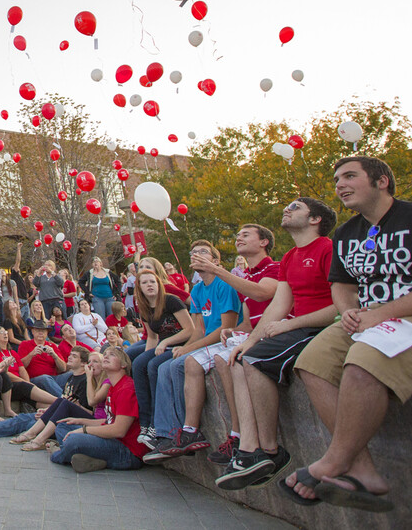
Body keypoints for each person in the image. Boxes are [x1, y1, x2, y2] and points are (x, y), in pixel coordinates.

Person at [279, 157, 412, 512]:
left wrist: (381, 314)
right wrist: (350, 310)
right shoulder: (346, 233)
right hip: (370, 318)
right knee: (311, 361)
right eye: (337, 177)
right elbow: (341, 285)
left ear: (382, 181)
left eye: (350, 176)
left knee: (361, 361)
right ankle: (363, 470)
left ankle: (331, 462)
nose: (340, 184)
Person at [216, 197, 337, 490]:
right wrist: (251, 340)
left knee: (255, 361)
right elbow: (277, 307)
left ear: (315, 219)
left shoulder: (328, 248)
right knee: (241, 357)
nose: (287, 209)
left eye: (296, 207)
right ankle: (249, 449)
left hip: (319, 328)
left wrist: (290, 324)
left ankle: (269, 451)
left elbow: (340, 304)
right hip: (296, 328)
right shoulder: (292, 257)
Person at [183, 224, 282, 465]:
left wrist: (216, 270)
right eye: (237, 235)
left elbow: (262, 293)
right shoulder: (245, 276)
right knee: (220, 358)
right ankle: (234, 436)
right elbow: (248, 323)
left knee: (230, 358)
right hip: (254, 334)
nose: (239, 238)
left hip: (276, 333)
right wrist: (233, 330)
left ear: (264, 242)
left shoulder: (275, 268)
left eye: (246, 235)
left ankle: (251, 442)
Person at [143, 240, 242, 462]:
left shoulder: (225, 284)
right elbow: (199, 329)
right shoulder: (197, 289)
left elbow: (226, 329)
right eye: (193, 252)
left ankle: (188, 430)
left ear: (216, 261)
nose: (196, 255)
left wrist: (189, 349)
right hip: (207, 341)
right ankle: (168, 432)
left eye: (203, 252)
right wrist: (185, 347)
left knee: (178, 364)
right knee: (164, 365)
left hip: (225, 341)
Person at [0, 345, 94, 444]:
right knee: (23, 418)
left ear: (83, 363)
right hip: (54, 415)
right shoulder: (71, 379)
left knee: (22, 421)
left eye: (74, 356)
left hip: (66, 422)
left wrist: (52, 413)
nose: (69, 357)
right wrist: (48, 411)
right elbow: (64, 403)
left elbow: (82, 411)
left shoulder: (85, 382)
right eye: (70, 354)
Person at [46, 347, 149, 472]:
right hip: (113, 441)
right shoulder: (113, 387)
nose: (106, 356)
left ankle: (58, 454)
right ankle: (89, 458)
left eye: (112, 355)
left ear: (124, 365)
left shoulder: (127, 388)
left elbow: (119, 430)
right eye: (105, 354)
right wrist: (81, 421)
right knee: (63, 426)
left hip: (127, 452)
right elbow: (108, 421)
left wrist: (84, 430)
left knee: (73, 440)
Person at [128, 270, 194, 447]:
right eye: (145, 283)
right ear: (139, 287)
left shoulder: (171, 301)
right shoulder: (144, 308)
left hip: (182, 345)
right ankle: (146, 423)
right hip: (162, 346)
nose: (149, 285)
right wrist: (144, 357)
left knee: (153, 366)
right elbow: (151, 337)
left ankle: (157, 425)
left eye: (152, 282)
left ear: (159, 284)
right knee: (139, 364)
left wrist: (166, 343)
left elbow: (190, 329)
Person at [17, 320, 67, 396]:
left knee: (74, 373)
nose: (40, 333)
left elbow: (63, 368)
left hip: (54, 378)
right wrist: (31, 354)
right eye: (38, 330)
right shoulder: (25, 344)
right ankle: (65, 400)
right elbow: (20, 366)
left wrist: (54, 355)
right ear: (33, 332)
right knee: (45, 378)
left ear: (47, 333)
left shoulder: (52, 346)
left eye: (43, 331)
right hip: (36, 380)